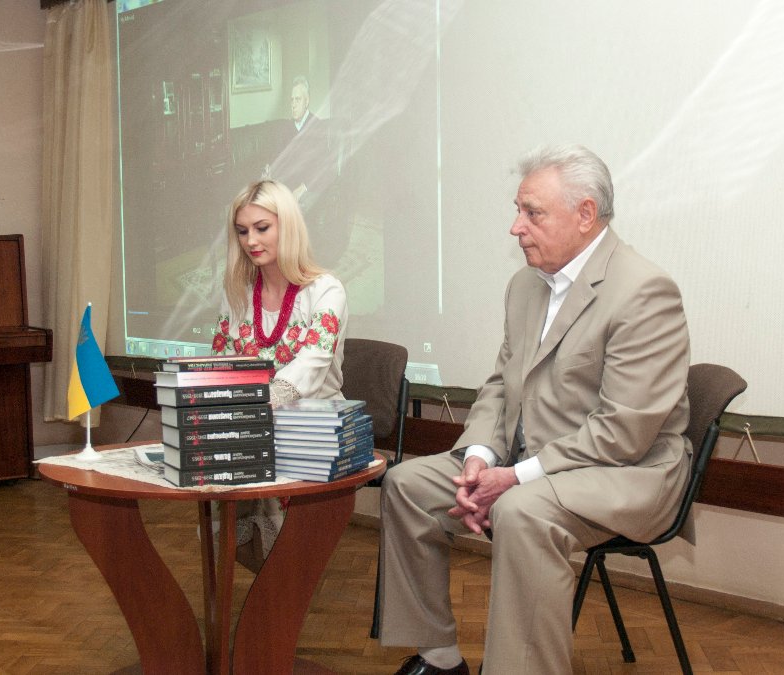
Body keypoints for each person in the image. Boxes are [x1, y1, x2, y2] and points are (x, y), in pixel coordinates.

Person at [378, 145, 691, 675]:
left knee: (521, 512)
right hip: (529, 462)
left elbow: (624, 431)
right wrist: (479, 458)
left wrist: (513, 478)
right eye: (517, 210)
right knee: (406, 485)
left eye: (532, 213)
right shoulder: (526, 284)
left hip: (627, 471)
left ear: (585, 214)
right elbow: (502, 383)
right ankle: (439, 658)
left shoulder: (644, 291)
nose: (516, 227)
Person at [211, 179, 348, 563]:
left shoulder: (326, 290)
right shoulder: (237, 294)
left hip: (313, 429)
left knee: (286, 555)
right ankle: (269, 586)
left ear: (287, 226)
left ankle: (283, 582)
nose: (251, 240)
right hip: (253, 427)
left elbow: (313, 362)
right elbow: (221, 361)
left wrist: (256, 405)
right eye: (242, 231)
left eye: (262, 228)